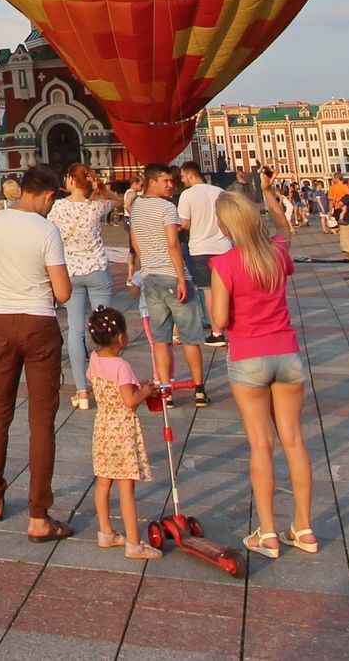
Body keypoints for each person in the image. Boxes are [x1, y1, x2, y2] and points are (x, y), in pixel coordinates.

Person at [205, 190, 315, 559]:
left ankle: (267, 532)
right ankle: (303, 528)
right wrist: (269, 193)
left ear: (225, 227)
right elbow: (284, 229)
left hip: (248, 356)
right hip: (286, 352)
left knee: (260, 444)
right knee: (294, 440)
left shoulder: (225, 264)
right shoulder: (277, 253)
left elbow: (220, 322)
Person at [0, 166, 74, 542]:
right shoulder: (47, 231)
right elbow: (63, 293)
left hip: (3, 322)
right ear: (47, 195)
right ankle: (38, 516)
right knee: (41, 421)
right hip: (39, 325)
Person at [127, 164, 209, 408]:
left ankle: (166, 390)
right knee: (190, 336)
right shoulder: (167, 208)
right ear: (151, 181)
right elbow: (173, 244)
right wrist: (181, 278)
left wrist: (147, 261)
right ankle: (199, 389)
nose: (171, 185)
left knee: (161, 338)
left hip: (151, 277)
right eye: (166, 181)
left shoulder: (136, 206)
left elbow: (134, 240)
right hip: (172, 276)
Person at [82, 306, 157, 560]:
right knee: (126, 487)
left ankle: (106, 532)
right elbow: (129, 400)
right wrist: (145, 390)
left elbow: (97, 383)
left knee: (103, 481)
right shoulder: (121, 366)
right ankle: (134, 543)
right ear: (121, 337)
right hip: (122, 430)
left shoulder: (94, 359)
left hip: (102, 427)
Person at [49, 166, 115, 409]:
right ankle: (106, 385)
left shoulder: (58, 207)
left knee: (75, 330)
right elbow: (115, 201)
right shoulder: (97, 205)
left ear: (70, 180)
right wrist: (99, 186)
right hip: (97, 270)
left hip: (70, 273)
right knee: (104, 329)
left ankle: (82, 391)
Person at [175, 162, 229, 351]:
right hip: (224, 248)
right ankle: (232, 327)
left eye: (183, 176)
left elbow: (185, 224)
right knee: (227, 290)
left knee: (209, 292)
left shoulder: (187, 195)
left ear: (190, 174)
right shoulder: (220, 192)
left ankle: (217, 332)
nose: (182, 180)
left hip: (200, 249)